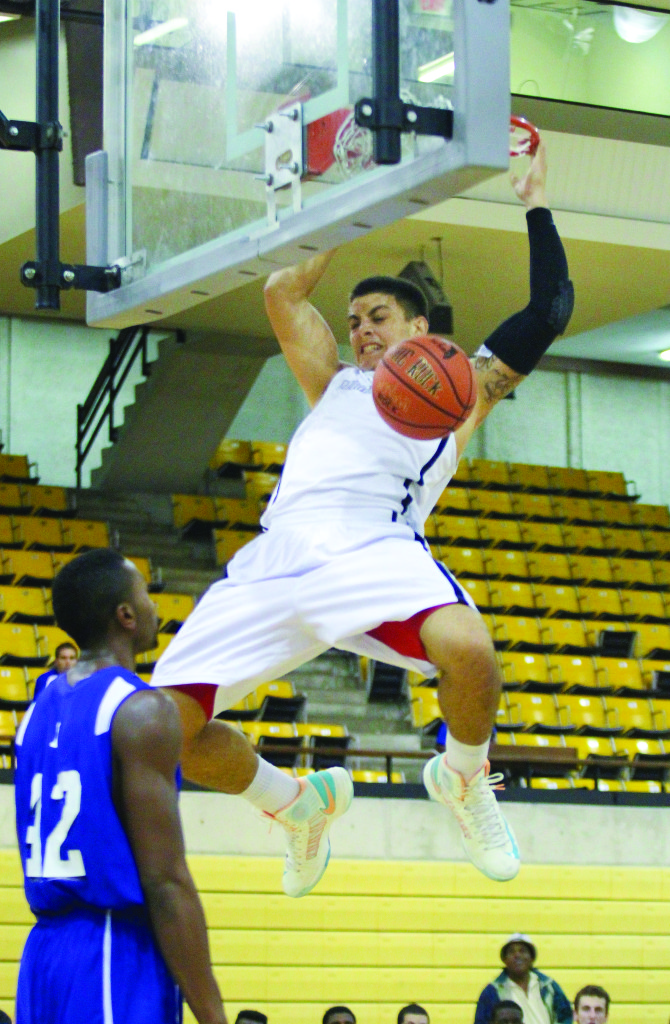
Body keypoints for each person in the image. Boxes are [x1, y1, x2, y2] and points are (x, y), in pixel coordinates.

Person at [151, 142, 573, 890]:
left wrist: (535, 201)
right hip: (277, 556)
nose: (362, 329)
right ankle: (295, 804)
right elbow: (283, 294)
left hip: (375, 547)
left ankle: (463, 776)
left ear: (419, 328)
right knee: (160, 731)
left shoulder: (461, 395)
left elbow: (549, 309)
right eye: (354, 320)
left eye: (379, 316)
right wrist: (355, 185)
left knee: (470, 651)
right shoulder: (335, 382)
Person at [14, 548, 227, 1024]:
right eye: (146, 594)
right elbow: (165, 881)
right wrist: (213, 1015)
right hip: (112, 953)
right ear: (126, 615)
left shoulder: (34, 714)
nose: (155, 605)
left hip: (42, 960)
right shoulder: (141, 709)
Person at [474, 934, 572, 1024]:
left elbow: (566, 1016)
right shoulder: (491, 992)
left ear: (532, 958)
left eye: (523, 951)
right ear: (504, 959)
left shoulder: (549, 986)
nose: (517, 955)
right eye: (511, 952)